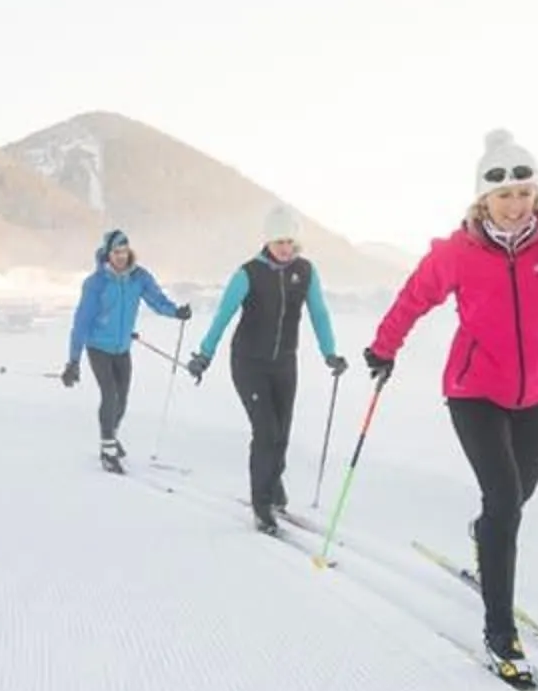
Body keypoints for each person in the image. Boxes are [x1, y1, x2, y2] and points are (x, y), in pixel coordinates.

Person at [363, 129, 538, 680]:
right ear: (481, 199)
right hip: (475, 393)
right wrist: (382, 347)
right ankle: (499, 630)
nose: (514, 206)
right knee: (506, 498)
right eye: (503, 195)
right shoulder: (457, 252)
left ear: (535, 194)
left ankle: (485, 532)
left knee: (512, 501)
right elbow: (414, 298)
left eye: (523, 193)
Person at [185, 203, 346, 532]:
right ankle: (262, 504)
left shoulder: (306, 271)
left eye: (290, 242)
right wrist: (204, 354)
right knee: (266, 432)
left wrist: (330, 353)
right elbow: (223, 316)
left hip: (285, 363)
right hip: (248, 363)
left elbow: (319, 314)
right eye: (279, 242)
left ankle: (273, 483)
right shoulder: (248, 274)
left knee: (282, 435)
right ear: (267, 242)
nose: (285, 249)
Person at [64, 228, 189, 473]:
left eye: (124, 251)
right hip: (98, 346)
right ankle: (107, 448)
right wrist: (73, 361)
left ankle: (111, 434)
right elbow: (81, 322)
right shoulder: (96, 283)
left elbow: (156, 300)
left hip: (122, 348)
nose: (121, 256)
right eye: (116, 252)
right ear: (107, 254)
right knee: (109, 394)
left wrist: (176, 312)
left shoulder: (138, 277)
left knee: (122, 399)